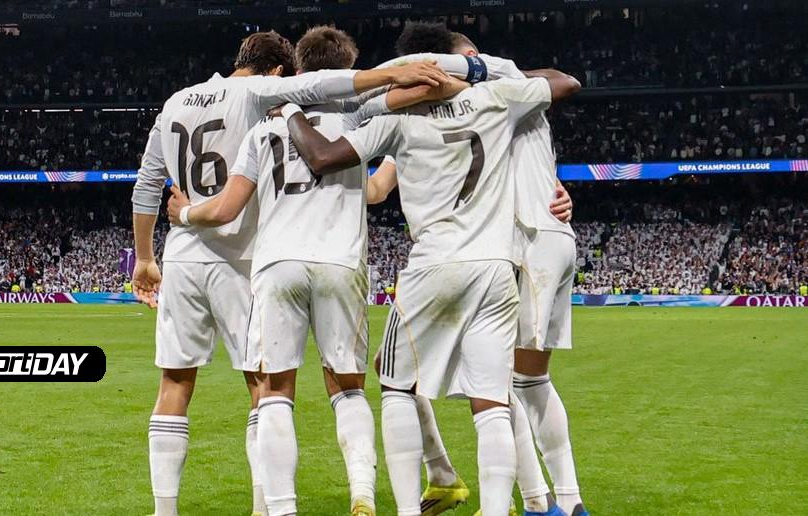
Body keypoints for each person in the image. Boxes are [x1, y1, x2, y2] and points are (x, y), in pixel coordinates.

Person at [130, 30, 451, 516]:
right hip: (244, 256)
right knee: (267, 388)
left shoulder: (177, 102)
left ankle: (166, 510)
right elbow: (326, 85)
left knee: (174, 383)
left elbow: (146, 185)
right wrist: (396, 73)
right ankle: (271, 504)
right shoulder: (261, 94)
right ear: (281, 73)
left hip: (184, 254)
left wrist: (144, 258)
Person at [279, 61, 580, 515]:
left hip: (433, 266)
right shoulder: (494, 101)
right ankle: (506, 503)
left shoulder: (397, 122)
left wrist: (287, 110)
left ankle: (415, 504)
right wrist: (472, 73)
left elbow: (322, 157)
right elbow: (564, 83)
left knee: (395, 385)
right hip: (494, 269)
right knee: (493, 402)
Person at [369, 24, 582, 516]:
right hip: (527, 240)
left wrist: (465, 70)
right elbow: (380, 186)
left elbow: (564, 81)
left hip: (518, 239)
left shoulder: (497, 85)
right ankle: (538, 498)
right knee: (512, 382)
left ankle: (548, 502)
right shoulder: (442, 113)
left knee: (508, 385)